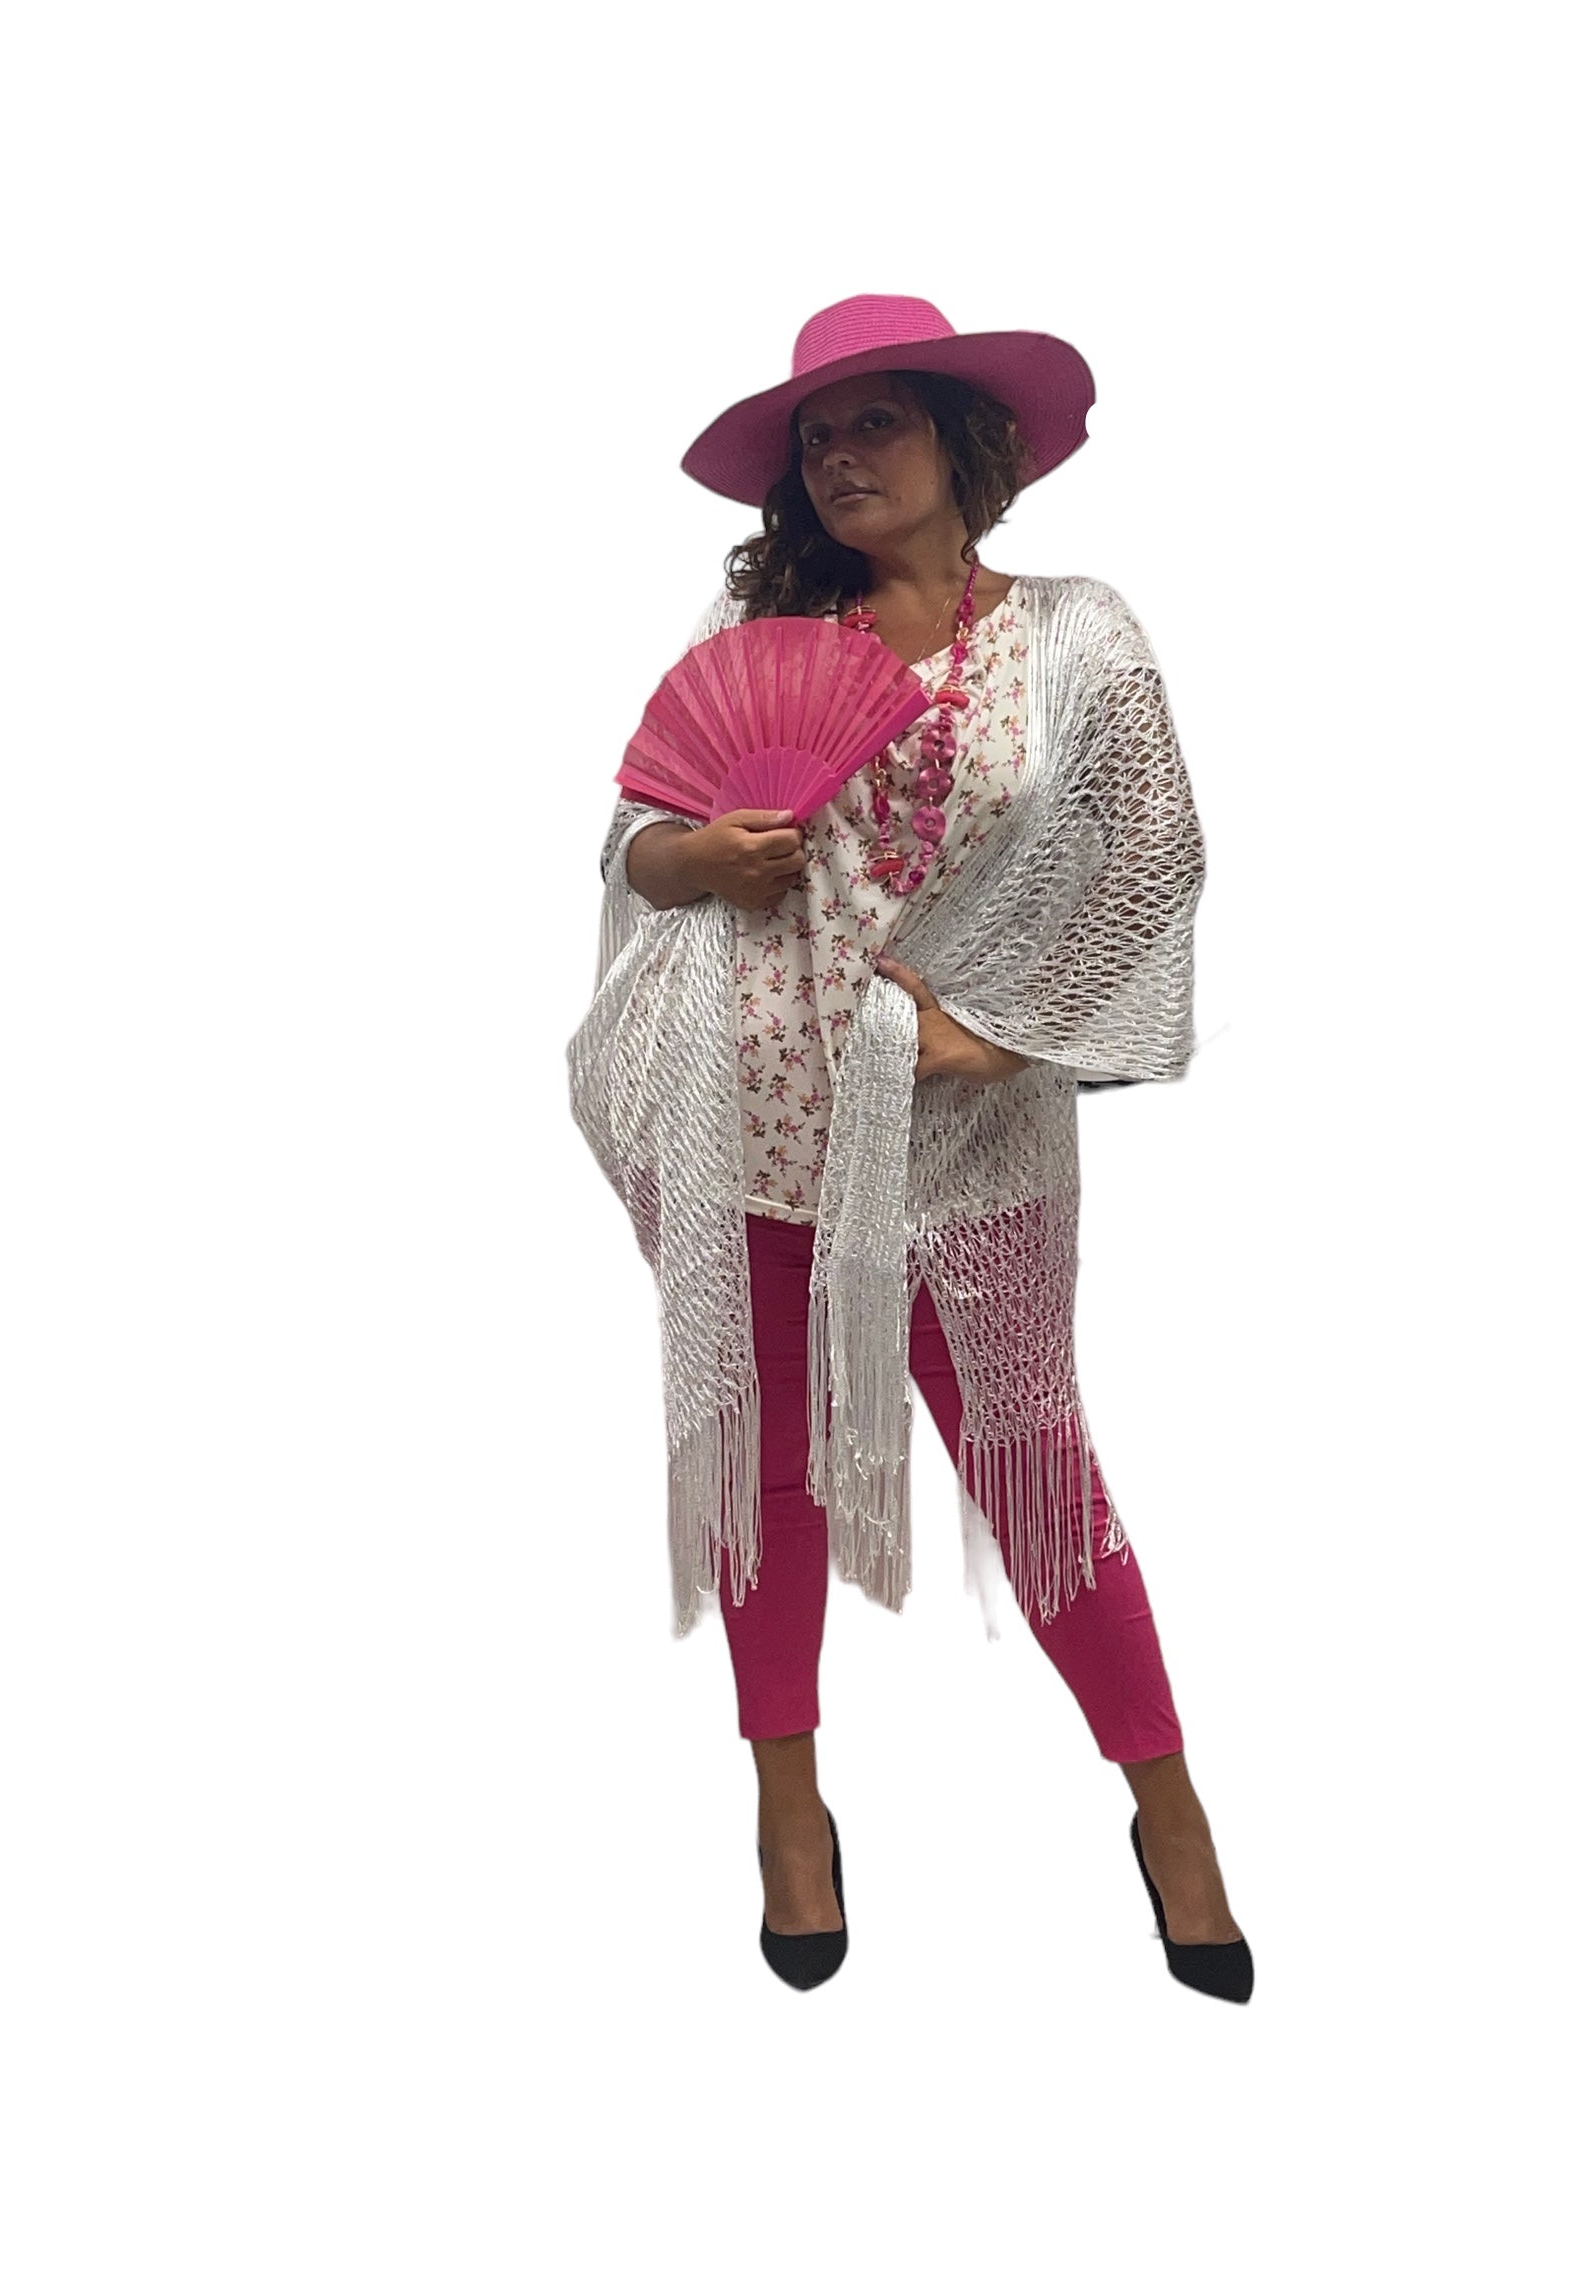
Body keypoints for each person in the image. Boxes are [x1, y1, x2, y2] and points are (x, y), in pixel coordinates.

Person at [567, 295, 1252, 2001]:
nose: (842, 456)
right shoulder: (766, 628)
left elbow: (1151, 860)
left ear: (963, 440)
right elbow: (635, 832)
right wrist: (693, 861)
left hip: (969, 1138)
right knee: (764, 1461)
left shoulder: (1078, 636)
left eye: (877, 421)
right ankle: (786, 1812)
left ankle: (1170, 1813)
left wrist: (999, 1032)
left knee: (1034, 1458)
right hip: (746, 1115)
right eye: (818, 437)